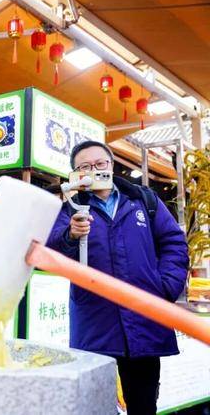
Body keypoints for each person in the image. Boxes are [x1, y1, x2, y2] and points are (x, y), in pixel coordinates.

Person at [46, 140, 188, 415]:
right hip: (95, 325)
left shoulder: (144, 200)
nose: (93, 170)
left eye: (100, 163)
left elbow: (173, 241)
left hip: (144, 320)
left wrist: (165, 286)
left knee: (143, 406)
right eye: (84, 167)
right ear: (75, 173)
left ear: (111, 166)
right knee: (96, 407)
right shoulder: (70, 209)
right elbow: (50, 251)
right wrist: (70, 235)